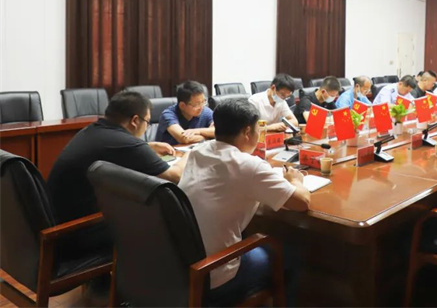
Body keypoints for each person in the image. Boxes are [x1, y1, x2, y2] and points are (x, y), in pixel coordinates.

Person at [179, 99, 310, 299]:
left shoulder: (198, 151)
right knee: (289, 256)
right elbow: (302, 202)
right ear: (248, 132)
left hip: (182, 268)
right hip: (214, 274)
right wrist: (295, 180)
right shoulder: (248, 165)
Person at [47, 91, 188, 256]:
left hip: (57, 228)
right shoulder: (123, 143)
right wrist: (189, 154)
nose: (147, 127)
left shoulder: (95, 130)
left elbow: (115, 148)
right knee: (161, 218)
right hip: (77, 234)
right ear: (135, 121)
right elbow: (175, 176)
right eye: (147, 122)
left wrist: (147, 146)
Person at [156, 80, 215, 145]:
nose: (201, 107)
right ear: (182, 105)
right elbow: (183, 138)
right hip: (171, 150)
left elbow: (220, 131)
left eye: (203, 102)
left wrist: (198, 131)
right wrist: (208, 137)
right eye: (196, 104)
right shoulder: (168, 115)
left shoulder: (205, 111)